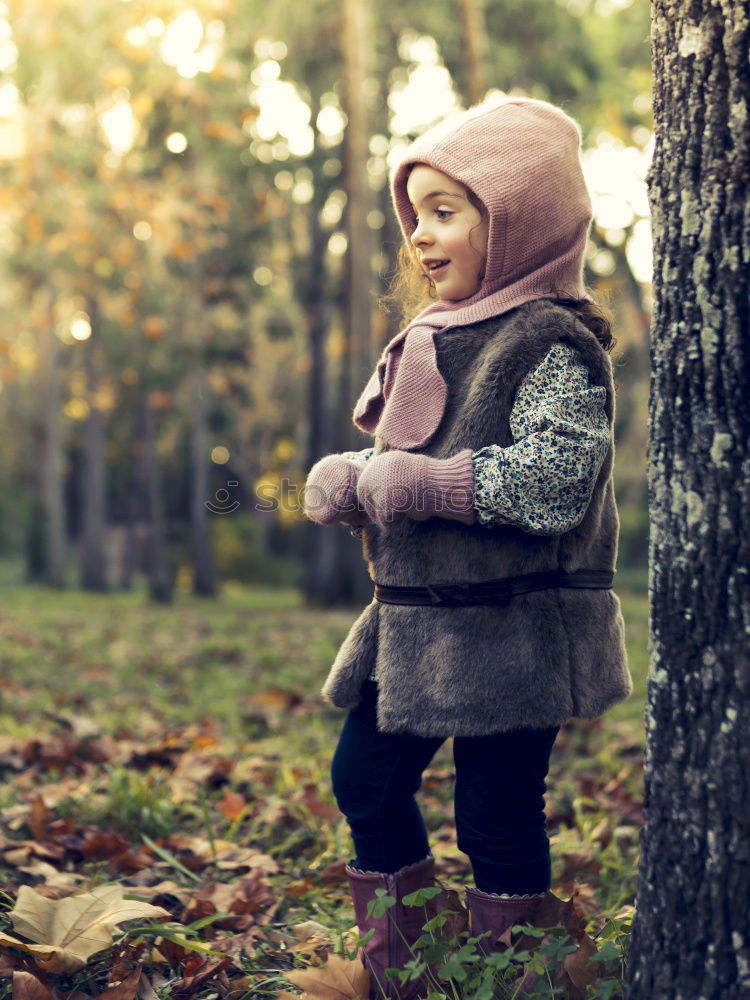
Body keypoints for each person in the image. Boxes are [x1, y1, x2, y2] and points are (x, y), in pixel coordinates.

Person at [302, 95, 633, 1000]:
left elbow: (553, 481)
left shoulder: (552, 344)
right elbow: (413, 454)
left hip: (514, 626)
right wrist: (355, 476)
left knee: (494, 812)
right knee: (364, 781)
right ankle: (404, 972)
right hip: (411, 625)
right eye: (417, 216)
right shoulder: (432, 337)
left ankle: (506, 977)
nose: (421, 235)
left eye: (447, 212)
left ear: (519, 221)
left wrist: (425, 485)